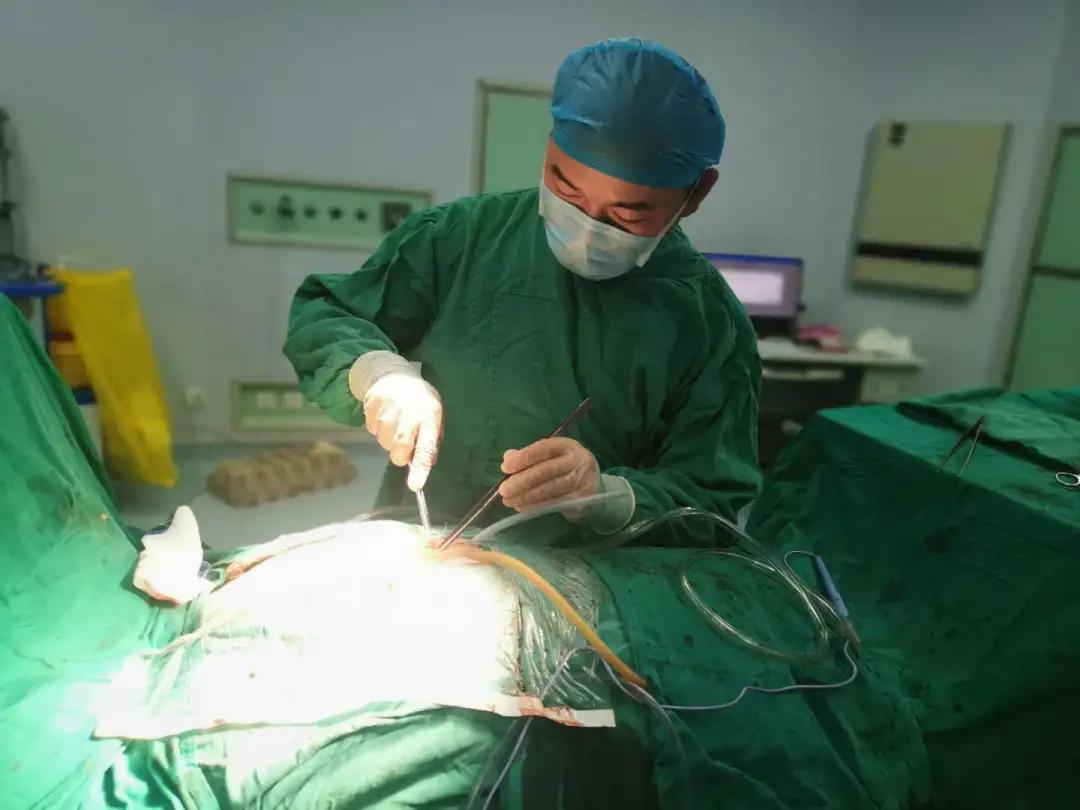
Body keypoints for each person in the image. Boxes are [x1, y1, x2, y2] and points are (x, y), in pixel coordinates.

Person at [285, 38, 761, 544]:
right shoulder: (461, 237)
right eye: (566, 189)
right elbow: (329, 316)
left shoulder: (709, 324)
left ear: (696, 193)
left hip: (602, 575)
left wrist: (608, 496)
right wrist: (379, 373)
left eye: (626, 214)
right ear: (549, 147)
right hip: (437, 543)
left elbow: (709, 501)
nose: (586, 228)